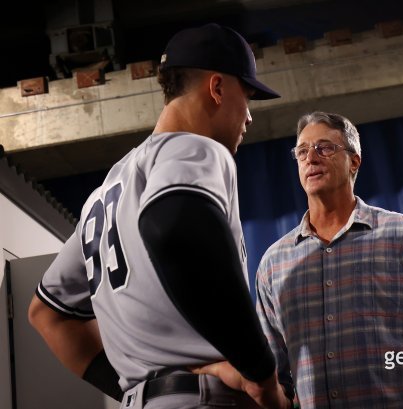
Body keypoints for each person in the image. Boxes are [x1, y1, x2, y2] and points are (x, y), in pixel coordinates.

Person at [28, 23, 292, 409]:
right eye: (247, 96)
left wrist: (148, 391)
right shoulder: (196, 146)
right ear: (217, 88)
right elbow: (173, 224)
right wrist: (260, 373)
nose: (249, 116)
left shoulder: (103, 196)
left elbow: (46, 315)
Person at [253, 111, 403, 408]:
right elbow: (273, 375)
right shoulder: (274, 262)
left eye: (324, 147)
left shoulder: (402, 234)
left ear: (354, 161)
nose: (311, 157)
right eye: (302, 151)